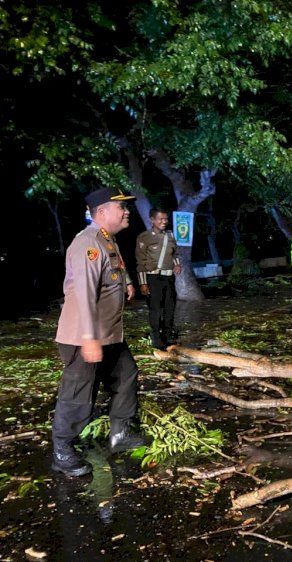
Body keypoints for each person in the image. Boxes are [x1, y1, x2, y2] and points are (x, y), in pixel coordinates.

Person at [52, 187, 149, 477]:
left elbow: (114, 271)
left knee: (126, 375)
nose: (127, 211)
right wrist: (88, 338)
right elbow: (83, 292)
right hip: (85, 335)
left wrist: (127, 283)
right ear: (103, 212)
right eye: (122, 207)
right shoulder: (88, 244)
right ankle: (62, 449)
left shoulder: (107, 241)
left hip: (109, 335)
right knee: (79, 392)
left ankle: (119, 434)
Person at [135, 208, 182, 350]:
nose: (164, 222)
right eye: (160, 219)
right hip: (152, 277)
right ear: (152, 219)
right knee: (155, 309)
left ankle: (168, 335)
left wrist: (177, 265)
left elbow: (175, 254)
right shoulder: (144, 237)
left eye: (166, 219)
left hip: (168, 278)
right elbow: (140, 262)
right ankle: (156, 338)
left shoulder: (171, 235)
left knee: (170, 307)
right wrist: (143, 283)